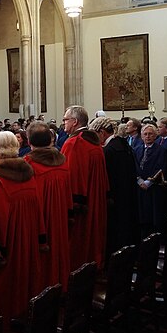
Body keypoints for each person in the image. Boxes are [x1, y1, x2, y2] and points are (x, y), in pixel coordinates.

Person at [0, 131, 47, 326]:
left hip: (9, 246)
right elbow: (38, 210)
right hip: (28, 240)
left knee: (6, 295)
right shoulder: (29, 175)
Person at [24, 121, 73, 290]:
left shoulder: (28, 165)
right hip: (59, 218)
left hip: (39, 222)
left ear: (28, 141)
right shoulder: (63, 161)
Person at [61, 105, 109, 270]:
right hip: (95, 199)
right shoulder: (93, 141)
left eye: (65, 119)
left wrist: (71, 207)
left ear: (74, 122)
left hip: (82, 206)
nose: (64, 123)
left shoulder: (75, 143)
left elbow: (72, 178)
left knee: (79, 243)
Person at [89, 117, 139, 255]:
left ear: (102, 132)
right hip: (127, 197)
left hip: (116, 199)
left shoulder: (110, 151)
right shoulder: (123, 145)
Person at [134, 123, 167, 237]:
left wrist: (149, 182)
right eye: (145, 134)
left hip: (154, 188)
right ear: (142, 136)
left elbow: (160, 166)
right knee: (141, 217)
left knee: (154, 217)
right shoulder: (137, 149)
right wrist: (139, 180)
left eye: (150, 134)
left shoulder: (161, 150)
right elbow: (134, 166)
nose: (148, 136)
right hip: (139, 187)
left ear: (155, 136)